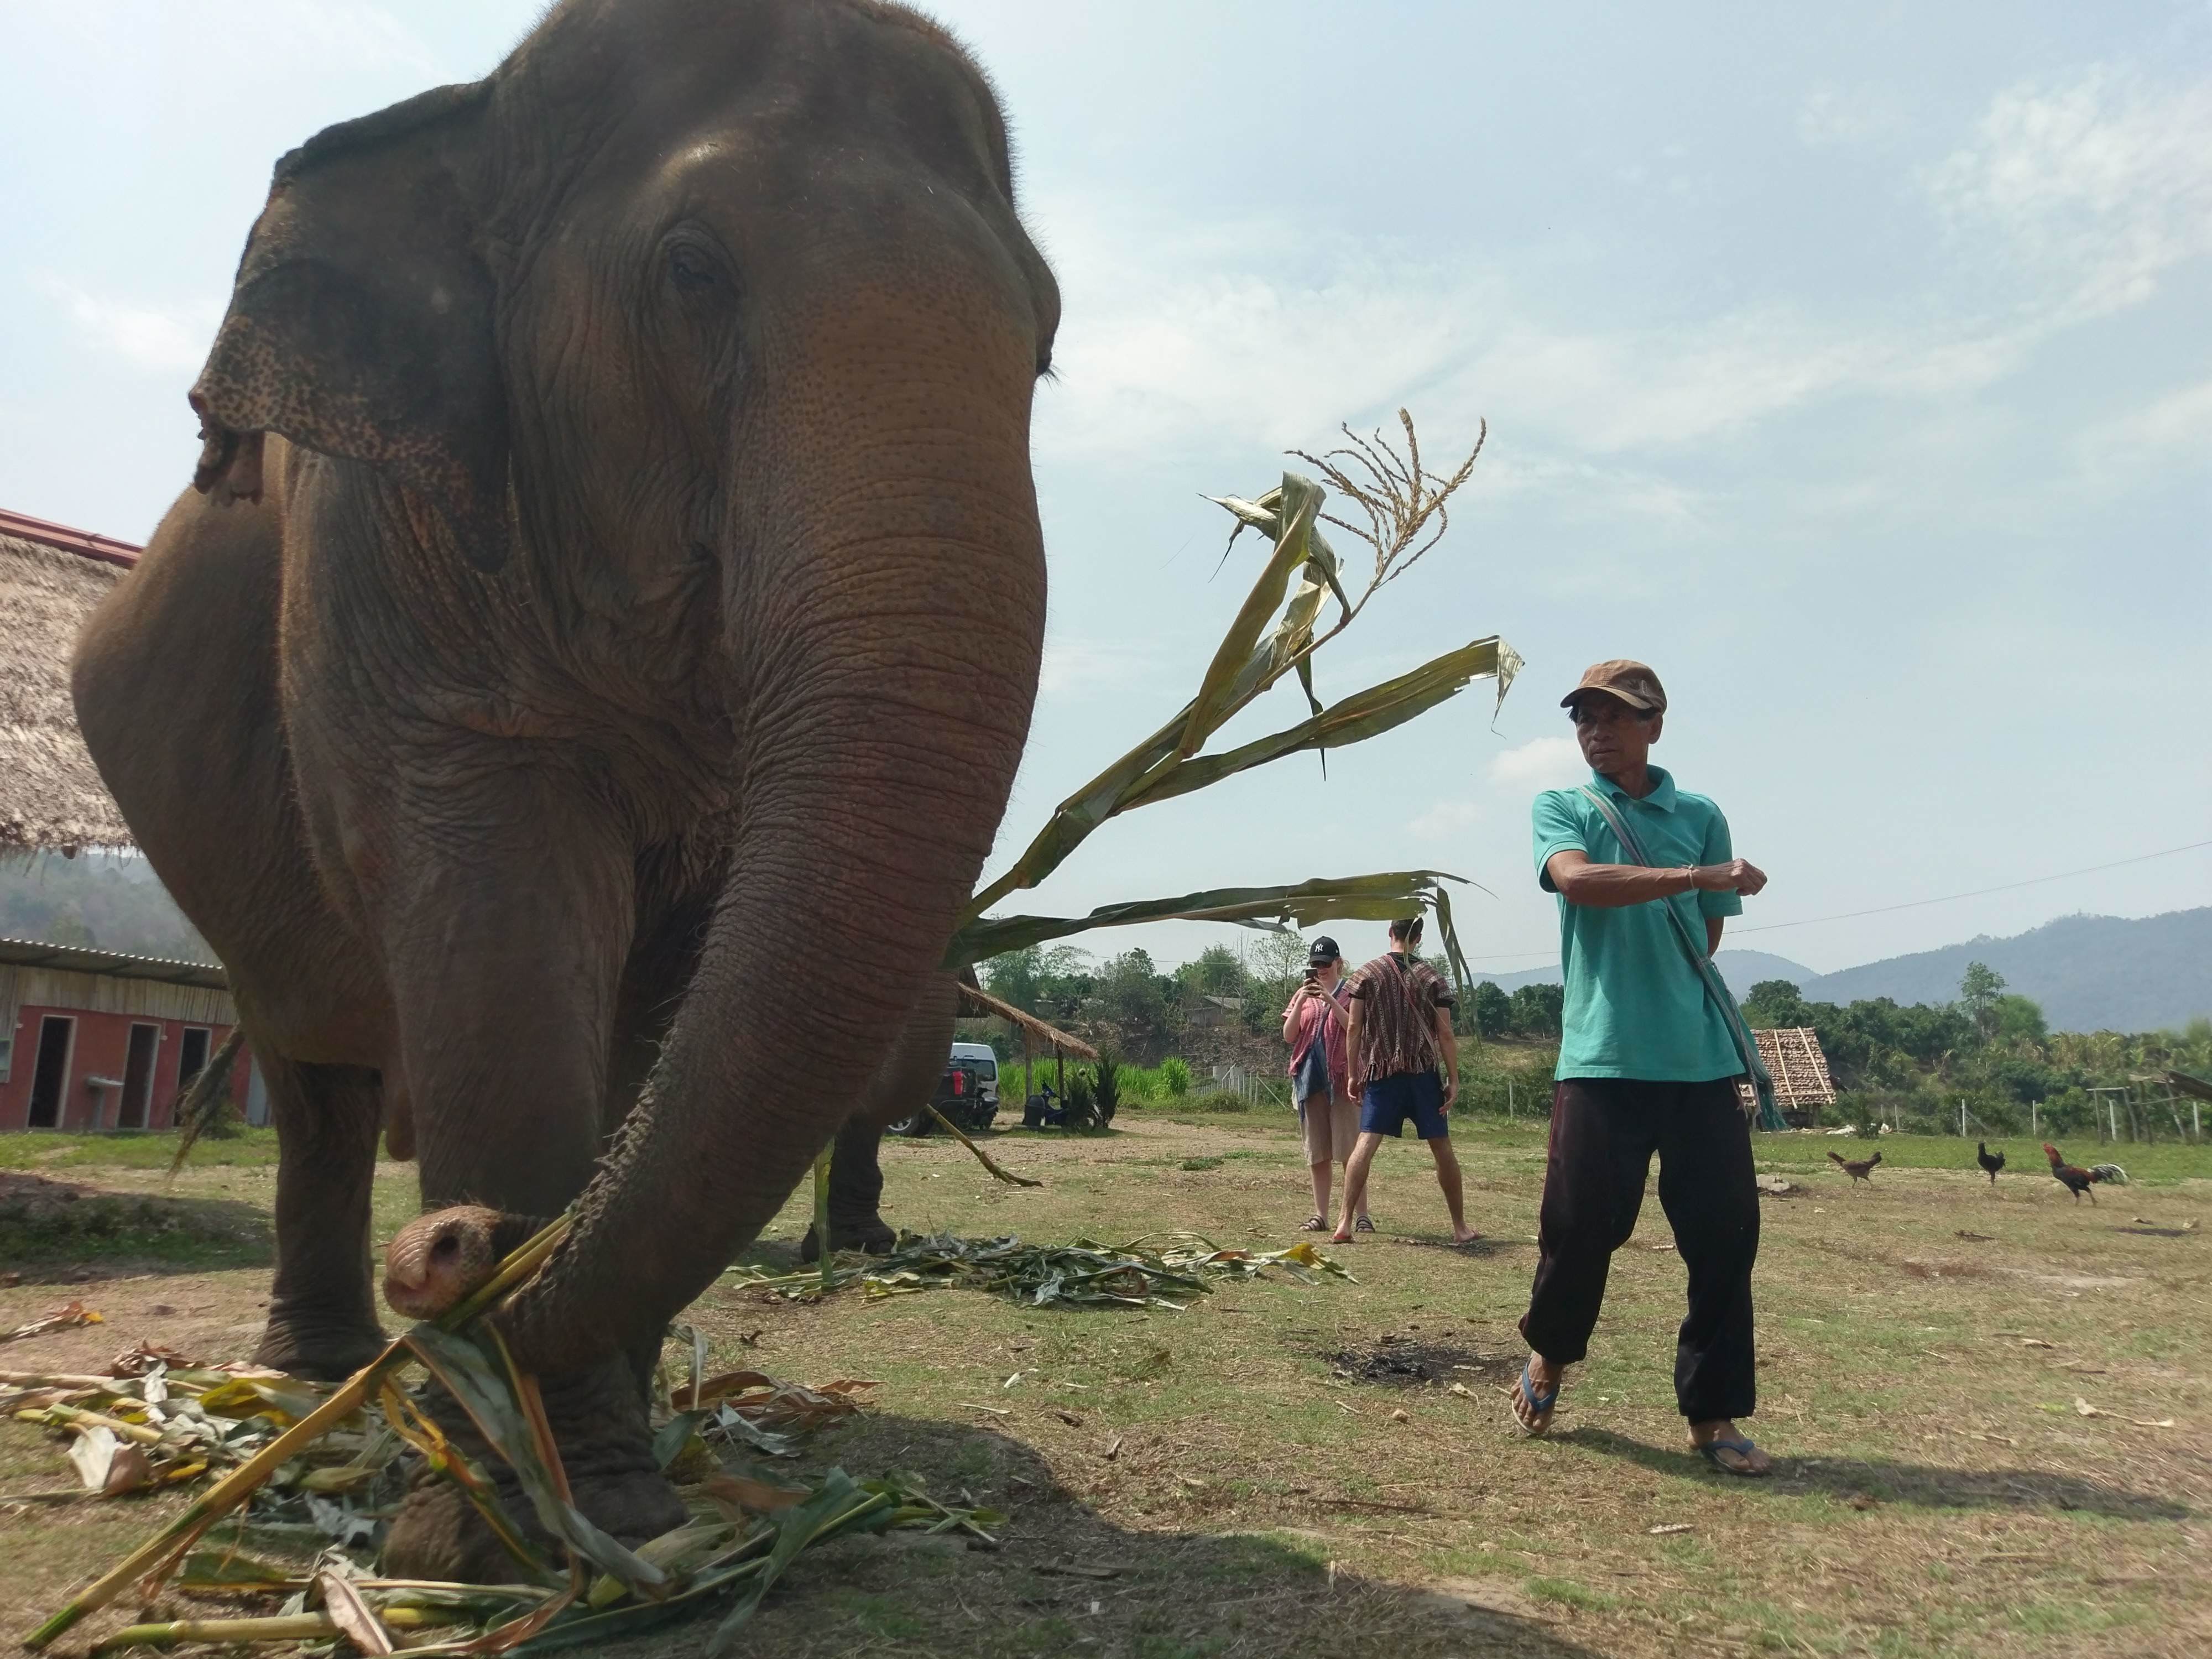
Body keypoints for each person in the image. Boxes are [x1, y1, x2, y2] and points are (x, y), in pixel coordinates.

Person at [1509, 659, 1773, 1477]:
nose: (1597, 731)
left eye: (1616, 717)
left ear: (1654, 726)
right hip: (1602, 1060)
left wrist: (1698, 881)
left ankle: (1713, 1414)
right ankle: (1550, 1356)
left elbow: (1708, 940)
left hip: (1699, 1064)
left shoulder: (1700, 814)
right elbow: (1579, 883)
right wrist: (1694, 877)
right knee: (1580, 1231)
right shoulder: (1564, 807)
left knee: (1725, 1240)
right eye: (1585, 717)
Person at [1334, 916, 1475, 1245]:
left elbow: (1354, 1028)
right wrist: (1454, 1079)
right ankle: (1459, 1227)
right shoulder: (1432, 978)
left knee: (1365, 1144)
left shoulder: (1366, 975)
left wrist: (1355, 1074)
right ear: (1419, 938)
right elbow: (1445, 1034)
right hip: (1423, 1076)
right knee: (1442, 1148)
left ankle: (1343, 1223)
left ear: (1390, 932)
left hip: (1381, 1075)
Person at [1281, 936, 1369, 1233]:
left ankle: (1361, 1216)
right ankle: (1321, 1215)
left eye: (1325, 964)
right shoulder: (1302, 994)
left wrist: (1330, 1000)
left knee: (1350, 1151)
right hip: (1310, 1080)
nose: (1320, 970)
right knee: (1317, 1152)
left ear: (1338, 963)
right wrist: (1304, 1000)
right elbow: (1289, 1035)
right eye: (1315, 964)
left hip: (1344, 1081)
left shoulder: (1352, 993)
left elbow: (1354, 1028)